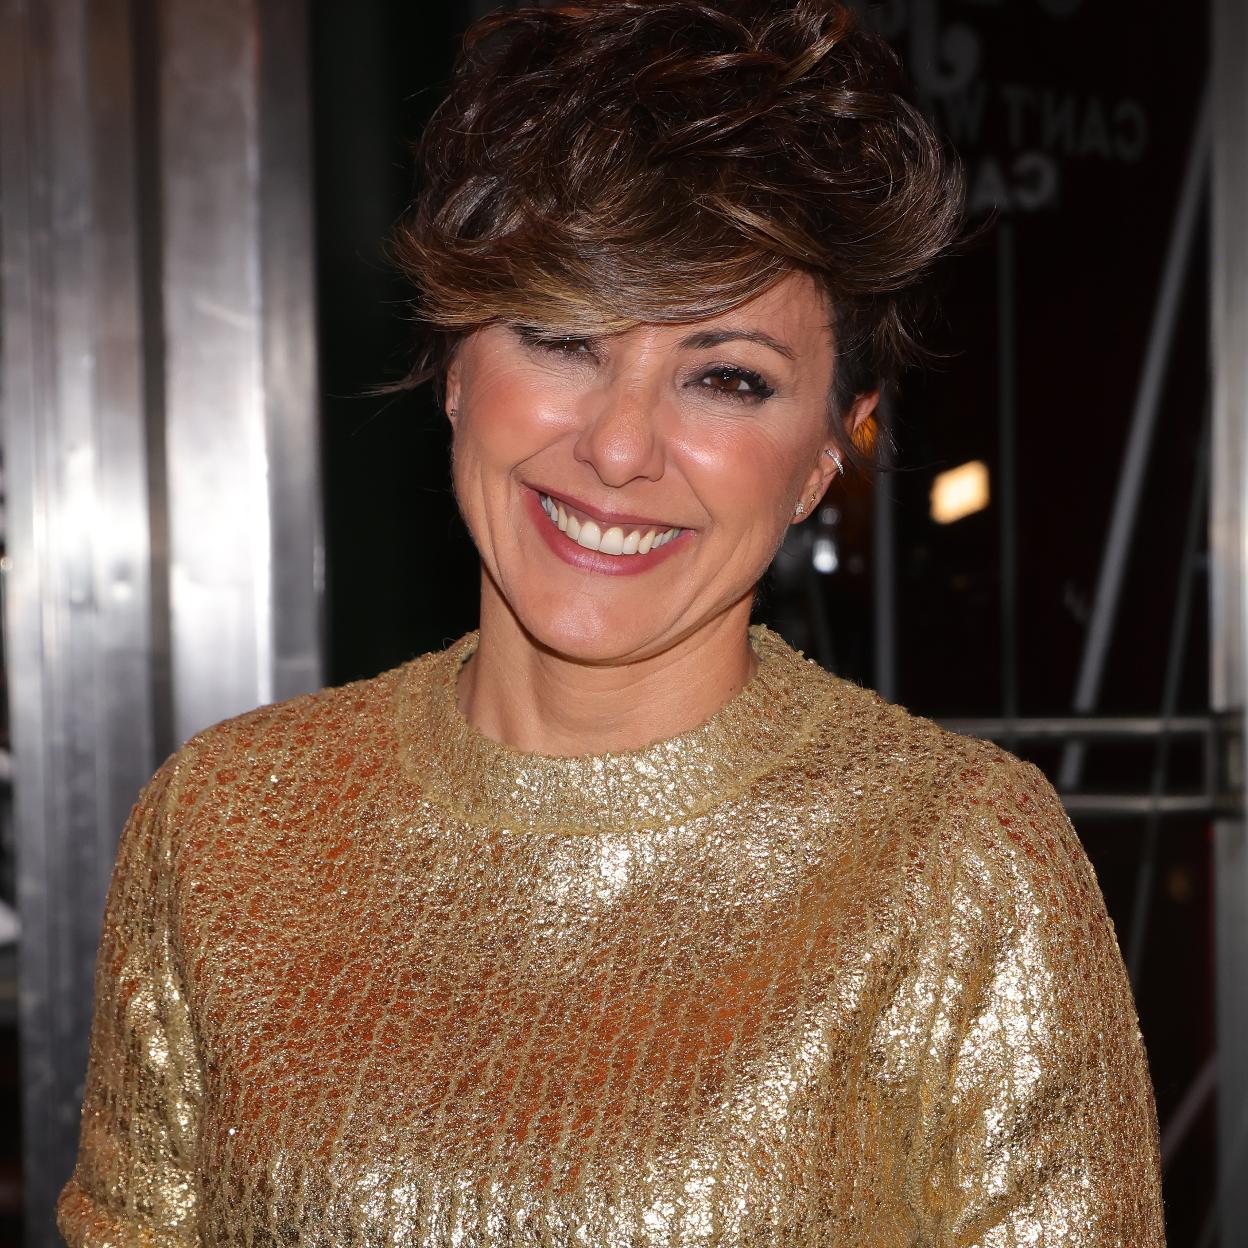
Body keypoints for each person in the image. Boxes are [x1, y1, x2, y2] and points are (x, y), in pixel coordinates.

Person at [58, 2, 1165, 1245]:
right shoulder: (226, 824)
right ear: (454, 358)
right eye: (562, 336)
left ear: (825, 452)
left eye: (727, 377)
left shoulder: (957, 862)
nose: (621, 446)